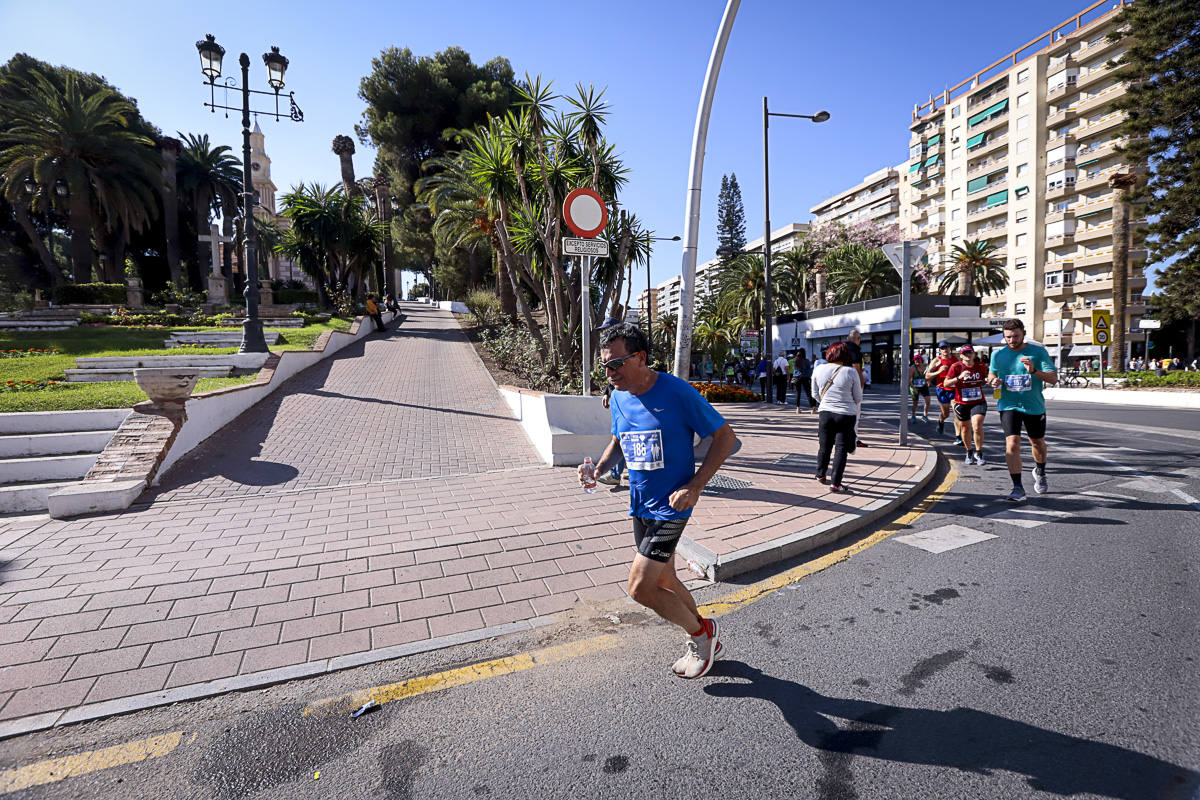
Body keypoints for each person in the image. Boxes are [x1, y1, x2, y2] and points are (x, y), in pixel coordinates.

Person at [584, 323, 736, 679]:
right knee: (664, 580)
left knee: (640, 588)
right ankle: (705, 632)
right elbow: (621, 439)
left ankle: (700, 637)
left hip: (672, 505)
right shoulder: (618, 393)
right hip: (640, 504)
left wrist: (696, 486)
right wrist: (600, 468)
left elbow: (725, 437)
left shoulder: (677, 392)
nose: (609, 373)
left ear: (640, 357)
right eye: (604, 365)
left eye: (617, 363)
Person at [986, 318, 1058, 502]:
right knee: (1012, 444)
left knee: (1037, 443)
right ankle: (1017, 487)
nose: (1012, 340)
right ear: (1004, 336)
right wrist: (992, 380)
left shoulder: (1038, 352)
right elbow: (991, 374)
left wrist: (1034, 371)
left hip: (1034, 406)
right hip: (1008, 404)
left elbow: (1053, 379)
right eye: (1008, 337)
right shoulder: (997, 355)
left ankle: (1040, 470)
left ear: (1023, 334)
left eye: (1016, 336)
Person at [811, 341, 863, 493]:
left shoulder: (818, 369)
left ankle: (820, 474)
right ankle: (836, 483)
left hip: (825, 413)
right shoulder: (850, 372)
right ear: (845, 355)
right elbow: (858, 397)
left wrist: (826, 403)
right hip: (846, 415)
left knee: (824, 445)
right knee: (841, 448)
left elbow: (814, 394)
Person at [944, 345, 989, 465]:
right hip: (961, 402)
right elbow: (946, 383)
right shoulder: (956, 367)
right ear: (961, 355)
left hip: (978, 401)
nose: (968, 355)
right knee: (965, 427)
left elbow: (986, 378)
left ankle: (979, 452)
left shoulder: (980, 366)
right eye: (965, 353)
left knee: (977, 425)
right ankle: (969, 451)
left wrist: (991, 380)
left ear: (974, 354)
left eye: (970, 353)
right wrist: (959, 377)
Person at [596, 317, 626, 487]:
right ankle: (623, 470)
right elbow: (612, 374)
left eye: (605, 330)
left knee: (621, 435)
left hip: (625, 397)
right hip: (619, 396)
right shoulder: (610, 348)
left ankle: (615, 474)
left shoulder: (624, 347)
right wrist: (608, 392)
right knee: (621, 435)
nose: (602, 333)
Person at [926, 341, 962, 443]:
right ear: (940, 350)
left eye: (946, 347)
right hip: (942, 389)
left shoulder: (956, 359)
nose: (945, 350)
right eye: (942, 348)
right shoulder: (937, 360)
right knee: (946, 414)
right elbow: (927, 376)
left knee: (957, 412)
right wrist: (939, 371)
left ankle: (958, 437)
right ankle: (941, 421)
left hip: (954, 388)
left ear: (950, 348)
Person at [793, 348, 816, 414]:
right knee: (808, 393)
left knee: (798, 393)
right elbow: (810, 369)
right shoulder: (806, 361)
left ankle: (798, 408)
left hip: (797, 378)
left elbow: (796, 369)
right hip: (805, 378)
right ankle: (812, 409)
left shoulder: (795, 360)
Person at [909, 354, 931, 423]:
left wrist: (929, 381)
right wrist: (914, 389)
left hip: (923, 386)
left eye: (918, 360)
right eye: (915, 360)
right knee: (915, 402)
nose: (917, 361)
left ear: (921, 360)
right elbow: (909, 380)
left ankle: (925, 415)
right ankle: (913, 415)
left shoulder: (925, 366)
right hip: (915, 386)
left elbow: (929, 375)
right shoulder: (912, 368)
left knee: (928, 400)